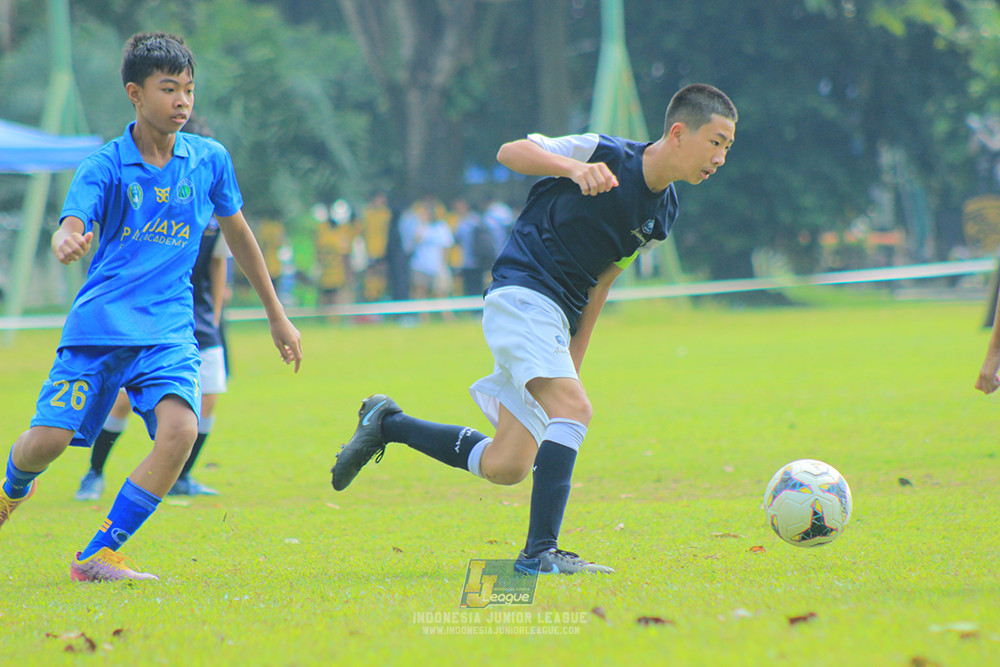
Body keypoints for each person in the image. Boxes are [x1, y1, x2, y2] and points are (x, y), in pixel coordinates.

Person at [331, 83, 736, 574]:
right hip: (522, 295)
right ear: (678, 132)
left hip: (554, 321)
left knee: (506, 465)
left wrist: (574, 358)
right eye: (716, 141)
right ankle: (538, 554)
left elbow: (602, 283)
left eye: (727, 147)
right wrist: (574, 168)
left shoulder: (663, 214)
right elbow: (512, 151)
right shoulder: (604, 152)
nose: (720, 157)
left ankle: (387, 424)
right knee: (574, 411)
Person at [0, 32, 302, 582]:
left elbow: (239, 237)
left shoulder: (209, 160)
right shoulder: (106, 164)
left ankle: (101, 552)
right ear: (135, 95)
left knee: (181, 432)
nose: (183, 101)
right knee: (48, 442)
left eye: (189, 89)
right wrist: (66, 240)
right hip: (100, 327)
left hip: (167, 329)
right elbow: (73, 221)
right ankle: (11, 488)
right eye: (169, 89)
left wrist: (276, 313)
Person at [75, 213, 233, 500]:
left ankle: (181, 477)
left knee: (208, 397)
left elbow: (218, 262)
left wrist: (215, 314)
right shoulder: (160, 204)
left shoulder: (218, 212)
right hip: (152, 315)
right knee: (123, 400)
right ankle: (94, 473)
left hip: (199, 318)